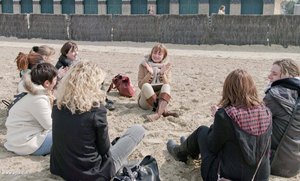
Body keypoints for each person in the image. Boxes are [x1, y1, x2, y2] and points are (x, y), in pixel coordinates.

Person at [167, 69, 272, 181]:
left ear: (228, 89)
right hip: (259, 176)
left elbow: (212, 146)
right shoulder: (266, 112)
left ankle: (180, 153)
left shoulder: (226, 115)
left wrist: (217, 117)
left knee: (202, 131)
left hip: (225, 176)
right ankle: (189, 147)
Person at [50, 61, 145, 180]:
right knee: (138, 130)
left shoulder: (57, 105)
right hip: (91, 173)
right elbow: (105, 149)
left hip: (60, 167)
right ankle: (121, 162)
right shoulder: (96, 110)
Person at [4, 63, 57, 156]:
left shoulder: (27, 90)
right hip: (26, 144)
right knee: (70, 135)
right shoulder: (38, 98)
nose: (57, 81)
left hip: (16, 139)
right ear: (47, 83)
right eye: (55, 79)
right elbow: (50, 126)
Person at [264, 58, 300, 177]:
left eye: (274, 74)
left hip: (274, 164)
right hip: (296, 164)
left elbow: (255, 121)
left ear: (289, 75)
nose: (269, 76)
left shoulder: (274, 95)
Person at [55, 41, 115, 111]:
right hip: (71, 89)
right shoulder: (60, 66)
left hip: (79, 84)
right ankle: (101, 101)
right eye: (73, 52)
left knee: (99, 79)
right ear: (66, 53)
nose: (76, 53)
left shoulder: (76, 60)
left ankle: (103, 99)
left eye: (77, 51)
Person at [138, 43, 178, 122]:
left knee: (166, 86)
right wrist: (150, 73)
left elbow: (167, 84)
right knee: (146, 85)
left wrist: (162, 74)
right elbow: (140, 85)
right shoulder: (143, 65)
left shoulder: (167, 67)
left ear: (164, 56)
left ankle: (157, 114)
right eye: (154, 53)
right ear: (151, 53)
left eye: (159, 54)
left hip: (161, 99)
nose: (156, 55)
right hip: (146, 102)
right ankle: (163, 111)